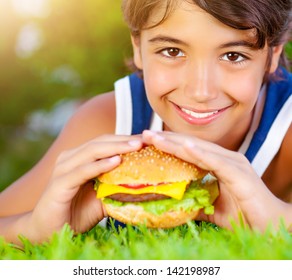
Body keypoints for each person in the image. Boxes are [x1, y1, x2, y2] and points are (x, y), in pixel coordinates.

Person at [0, 0, 291, 245]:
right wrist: (31, 228)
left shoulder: (285, 126)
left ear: (272, 55)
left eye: (233, 55)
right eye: (172, 51)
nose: (201, 91)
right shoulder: (109, 120)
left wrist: (282, 220)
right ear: (138, 47)